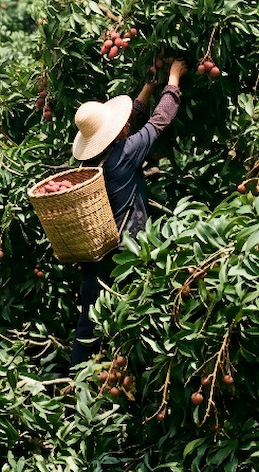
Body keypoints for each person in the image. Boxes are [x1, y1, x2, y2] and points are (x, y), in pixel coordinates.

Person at [69, 59, 187, 365]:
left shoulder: (88, 164)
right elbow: (159, 121)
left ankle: (76, 382)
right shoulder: (124, 154)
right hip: (129, 254)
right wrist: (173, 79)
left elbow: (129, 123)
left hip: (96, 255)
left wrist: (148, 86)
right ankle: (136, 374)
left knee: (89, 323)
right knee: (137, 318)